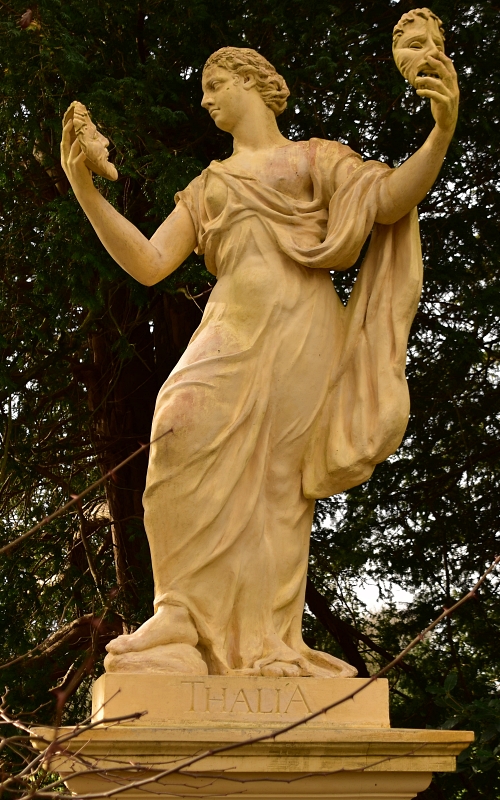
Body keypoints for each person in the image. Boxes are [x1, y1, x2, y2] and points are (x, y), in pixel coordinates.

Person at [61, 43, 459, 678]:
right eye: (203, 89)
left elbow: (386, 201)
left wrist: (441, 132)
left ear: (253, 82)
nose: (206, 99)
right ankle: (180, 616)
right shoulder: (209, 186)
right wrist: (83, 187)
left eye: (215, 83)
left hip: (301, 330)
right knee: (176, 427)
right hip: (231, 327)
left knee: (278, 486)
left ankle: (266, 641)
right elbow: (149, 263)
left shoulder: (313, 159)